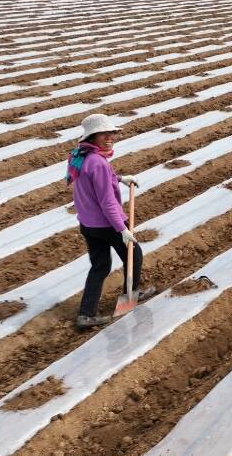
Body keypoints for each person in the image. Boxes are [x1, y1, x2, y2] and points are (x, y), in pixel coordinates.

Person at [67, 114, 154, 329]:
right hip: (106, 225)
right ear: (93, 137)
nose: (110, 137)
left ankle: (86, 314)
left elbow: (94, 180)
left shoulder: (80, 157)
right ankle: (130, 295)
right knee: (134, 254)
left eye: (112, 133)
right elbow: (107, 202)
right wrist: (122, 229)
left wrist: (119, 178)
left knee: (100, 266)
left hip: (88, 225)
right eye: (104, 134)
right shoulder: (98, 162)